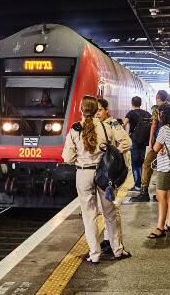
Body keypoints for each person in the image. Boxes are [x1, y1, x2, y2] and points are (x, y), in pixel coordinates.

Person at [62, 95, 131, 264]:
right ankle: (117, 250)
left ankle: (94, 255)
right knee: (110, 213)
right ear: (96, 110)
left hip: (84, 175)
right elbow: (126, 142)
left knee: (89, 216)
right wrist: (112, 155)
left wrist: (79, 159)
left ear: (81, 110)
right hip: (104, 175)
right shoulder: (106, 126)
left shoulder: (75, 129)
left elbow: (67, 157)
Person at [95, 98, 132, 255]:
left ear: (106, 110)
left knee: (111, 208)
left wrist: (112, 156)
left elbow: (126, 142)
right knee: (104, 208)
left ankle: (116, 241)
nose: (97, 114)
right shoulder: (95, 125)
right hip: (99, 172)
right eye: (94, 111)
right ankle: (108, 239)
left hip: (109, 172)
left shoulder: (113, 124)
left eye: (100, 110)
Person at [147, 103, 170, 238]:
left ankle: (160, 227)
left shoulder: (164, 129)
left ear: (162, 115)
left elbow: (155, 147)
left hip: (164, 167)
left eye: (159, 113)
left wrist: (157, 148)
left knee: (161, 196)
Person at [130, 90, 168, 202]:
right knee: (163, 167)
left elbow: (153, 126)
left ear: (157, 97)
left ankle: (144, 192)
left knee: (147, 165)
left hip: (158, 141)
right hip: (168, 142)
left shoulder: (156, 109)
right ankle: (161, 193)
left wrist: (151, 144)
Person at [122, 96, 151, 192]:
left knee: (135, 163)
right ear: (141, 103)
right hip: (144, 141)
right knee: (141, 163)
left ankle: (137, 185)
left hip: (134, 140)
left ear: (132, 103)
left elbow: (124, 124)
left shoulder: (131, 113)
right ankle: (143, 184)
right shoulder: (147, 113)